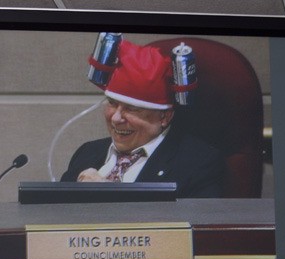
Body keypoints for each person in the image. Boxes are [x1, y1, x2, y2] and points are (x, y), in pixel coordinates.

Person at [60, 39, 224, 198]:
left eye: (131, 109)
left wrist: (107, 196)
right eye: (112, 103)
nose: (116, 118)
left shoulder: (197, 163)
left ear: (164, 117)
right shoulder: (87, 152)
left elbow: (189, 224)